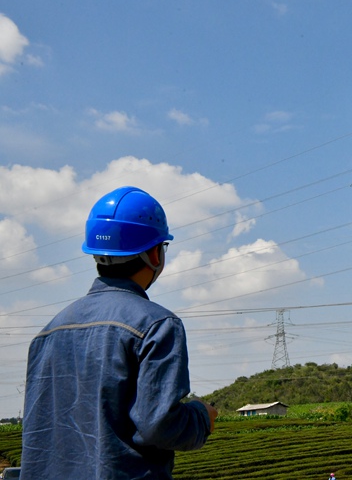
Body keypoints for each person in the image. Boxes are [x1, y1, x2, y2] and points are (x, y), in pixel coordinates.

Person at [21, 186, 218, 479]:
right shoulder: (158, 325)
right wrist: (202, 417)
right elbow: (159, 425)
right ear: (154, 254)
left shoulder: (48, 333)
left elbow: (38, 434)